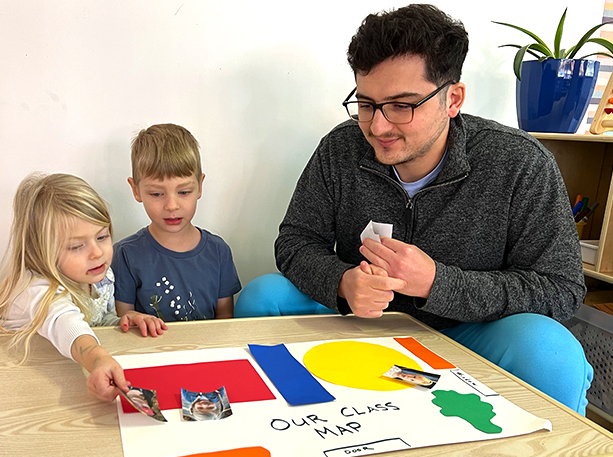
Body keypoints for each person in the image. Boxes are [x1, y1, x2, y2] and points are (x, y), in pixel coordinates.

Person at [235, 4, 593, 416]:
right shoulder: (341, 148)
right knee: (263, 296)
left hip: (468, 331)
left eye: (402, 105)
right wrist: (342, 282)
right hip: (361, 321)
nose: (378, 127)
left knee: (551, 352)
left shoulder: (521, 163)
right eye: (367, 104)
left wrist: (438, 283)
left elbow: (560, 290)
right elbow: (297, 240)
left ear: (452, 98)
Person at [0, 173, 166, 401]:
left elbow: (94, 318)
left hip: (49, 360)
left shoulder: (100, 274)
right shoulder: (40, 289)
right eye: (77, 246)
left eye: (102, 236)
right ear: (42, 253)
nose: (97, 252)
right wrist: (97, 359)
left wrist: (123, 320)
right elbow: (66, 324)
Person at [112, 123, 242, 322]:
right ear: (136, 190)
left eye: (183, 192)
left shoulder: (219, 251)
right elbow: (123, 319)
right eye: (156, 193)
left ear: (199, 186)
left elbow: (224, 319)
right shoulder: (124, 255)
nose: (171, 205)